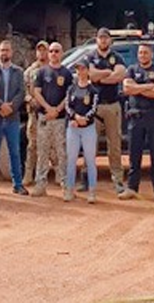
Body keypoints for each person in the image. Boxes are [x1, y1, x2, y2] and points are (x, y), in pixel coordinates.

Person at [119, 43, 154, 203]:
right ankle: (132, 188)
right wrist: (148, 87)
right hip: (135, 118)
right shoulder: (132, 70)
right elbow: (127, 89)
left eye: (146, 52)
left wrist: (137, 88)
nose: (143, 55)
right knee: (134, 155)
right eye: (140, 53)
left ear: (152, 54)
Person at [87, 27, 127, 193]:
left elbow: (119, 76)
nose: (103, 40)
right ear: (96, 39)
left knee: (115, 145)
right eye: (100, 38)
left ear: (110, 40)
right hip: (94, 107)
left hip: (112, 105)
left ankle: (117, 180)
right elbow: (91, 75)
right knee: (90, 145)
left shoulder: (117, 57)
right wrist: (107, 73)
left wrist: (100, 76)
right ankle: (88, 180)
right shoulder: (90, 57)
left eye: (106, 38)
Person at [30, 41, 73, 197]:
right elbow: (36, 92)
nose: (54, 54)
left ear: (61, 53)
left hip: (60, 119)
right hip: (44, 118)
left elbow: (69, 95)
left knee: (62, 152)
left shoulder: (66, 74)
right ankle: (40, 184)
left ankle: (65, 185)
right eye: (52, 51)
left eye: (57, 51)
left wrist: (57, 110)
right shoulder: (41, 72)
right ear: (48, 54)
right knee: (42, 151)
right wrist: (48, 109)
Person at [0, 39, 28, 195]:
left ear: (11, 53)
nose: (4, 53)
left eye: (7, 50)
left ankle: (17, 184)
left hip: (12, 118)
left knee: (15, 152)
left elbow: (21, 92)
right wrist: (0, 106)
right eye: (2, 50)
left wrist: (11, 107)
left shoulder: (18, 72)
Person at [64, 60, 99, 204]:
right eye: (78, 69)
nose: (80, 72)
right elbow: (67, 106)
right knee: (71, 160)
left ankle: (92, 191)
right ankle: (69, 189)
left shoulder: (93, 91)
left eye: (83, 69)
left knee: (90, 160)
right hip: (73, 128)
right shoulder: (71, 89)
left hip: (88, 129)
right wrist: (75, 117)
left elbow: (94, 107)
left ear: (88, 71)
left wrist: (86, 118)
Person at [22, 40, 48, 186]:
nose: (42, 53)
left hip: (49, 114)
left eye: (44, 50)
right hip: (34, 114)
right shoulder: (29, 72)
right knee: (32, 145)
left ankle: (57, 173)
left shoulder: (53, 70)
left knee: (52, 146)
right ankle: (28, 174)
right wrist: (29, 99)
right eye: (39, 50)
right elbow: (24, 92)